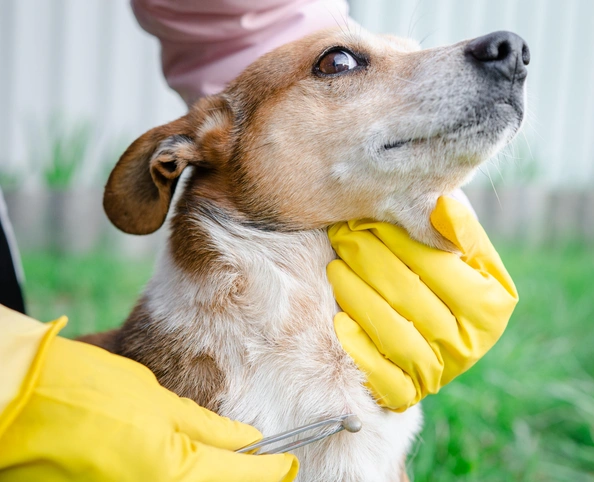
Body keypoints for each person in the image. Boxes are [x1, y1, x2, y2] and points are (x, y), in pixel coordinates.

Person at [0, 1, 518, 480]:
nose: (505, 56)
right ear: (210, 143)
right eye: (340, 63)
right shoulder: (110, 398)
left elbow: (246, 14)